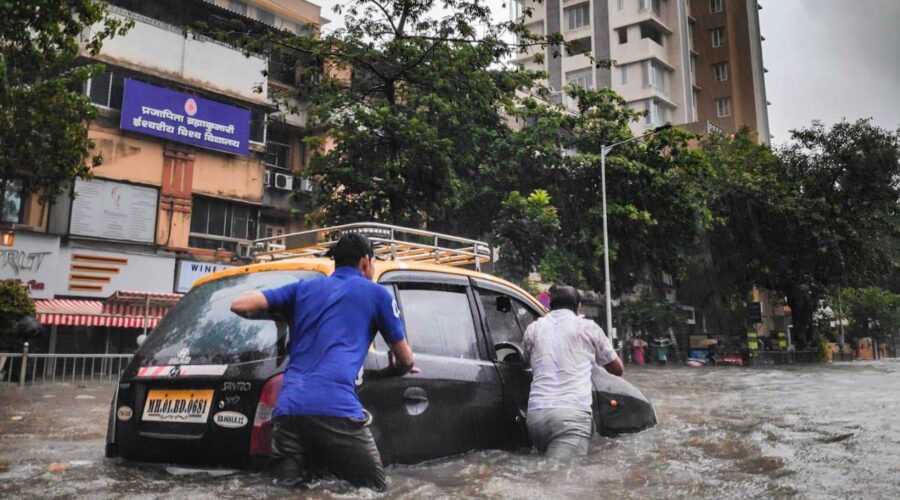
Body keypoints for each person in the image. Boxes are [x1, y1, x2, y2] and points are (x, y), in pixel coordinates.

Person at [229, 233, 417, 490]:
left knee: (286, 491)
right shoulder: (377, 295)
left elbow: (239, 304)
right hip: (336, 409)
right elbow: (405, 359)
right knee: (375, 489)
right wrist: (399, 365)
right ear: (365, 262)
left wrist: (279, 310)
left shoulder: (302, 289)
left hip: (288, 411)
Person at [523, 286, 624, 458]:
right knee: (563, 478)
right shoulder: (587, 327)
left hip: (535, 416)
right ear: (578, 308)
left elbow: (528, 361)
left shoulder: (533, 329)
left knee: (545, 473)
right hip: (571, 418)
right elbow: (617, 369)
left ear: (549, 307)